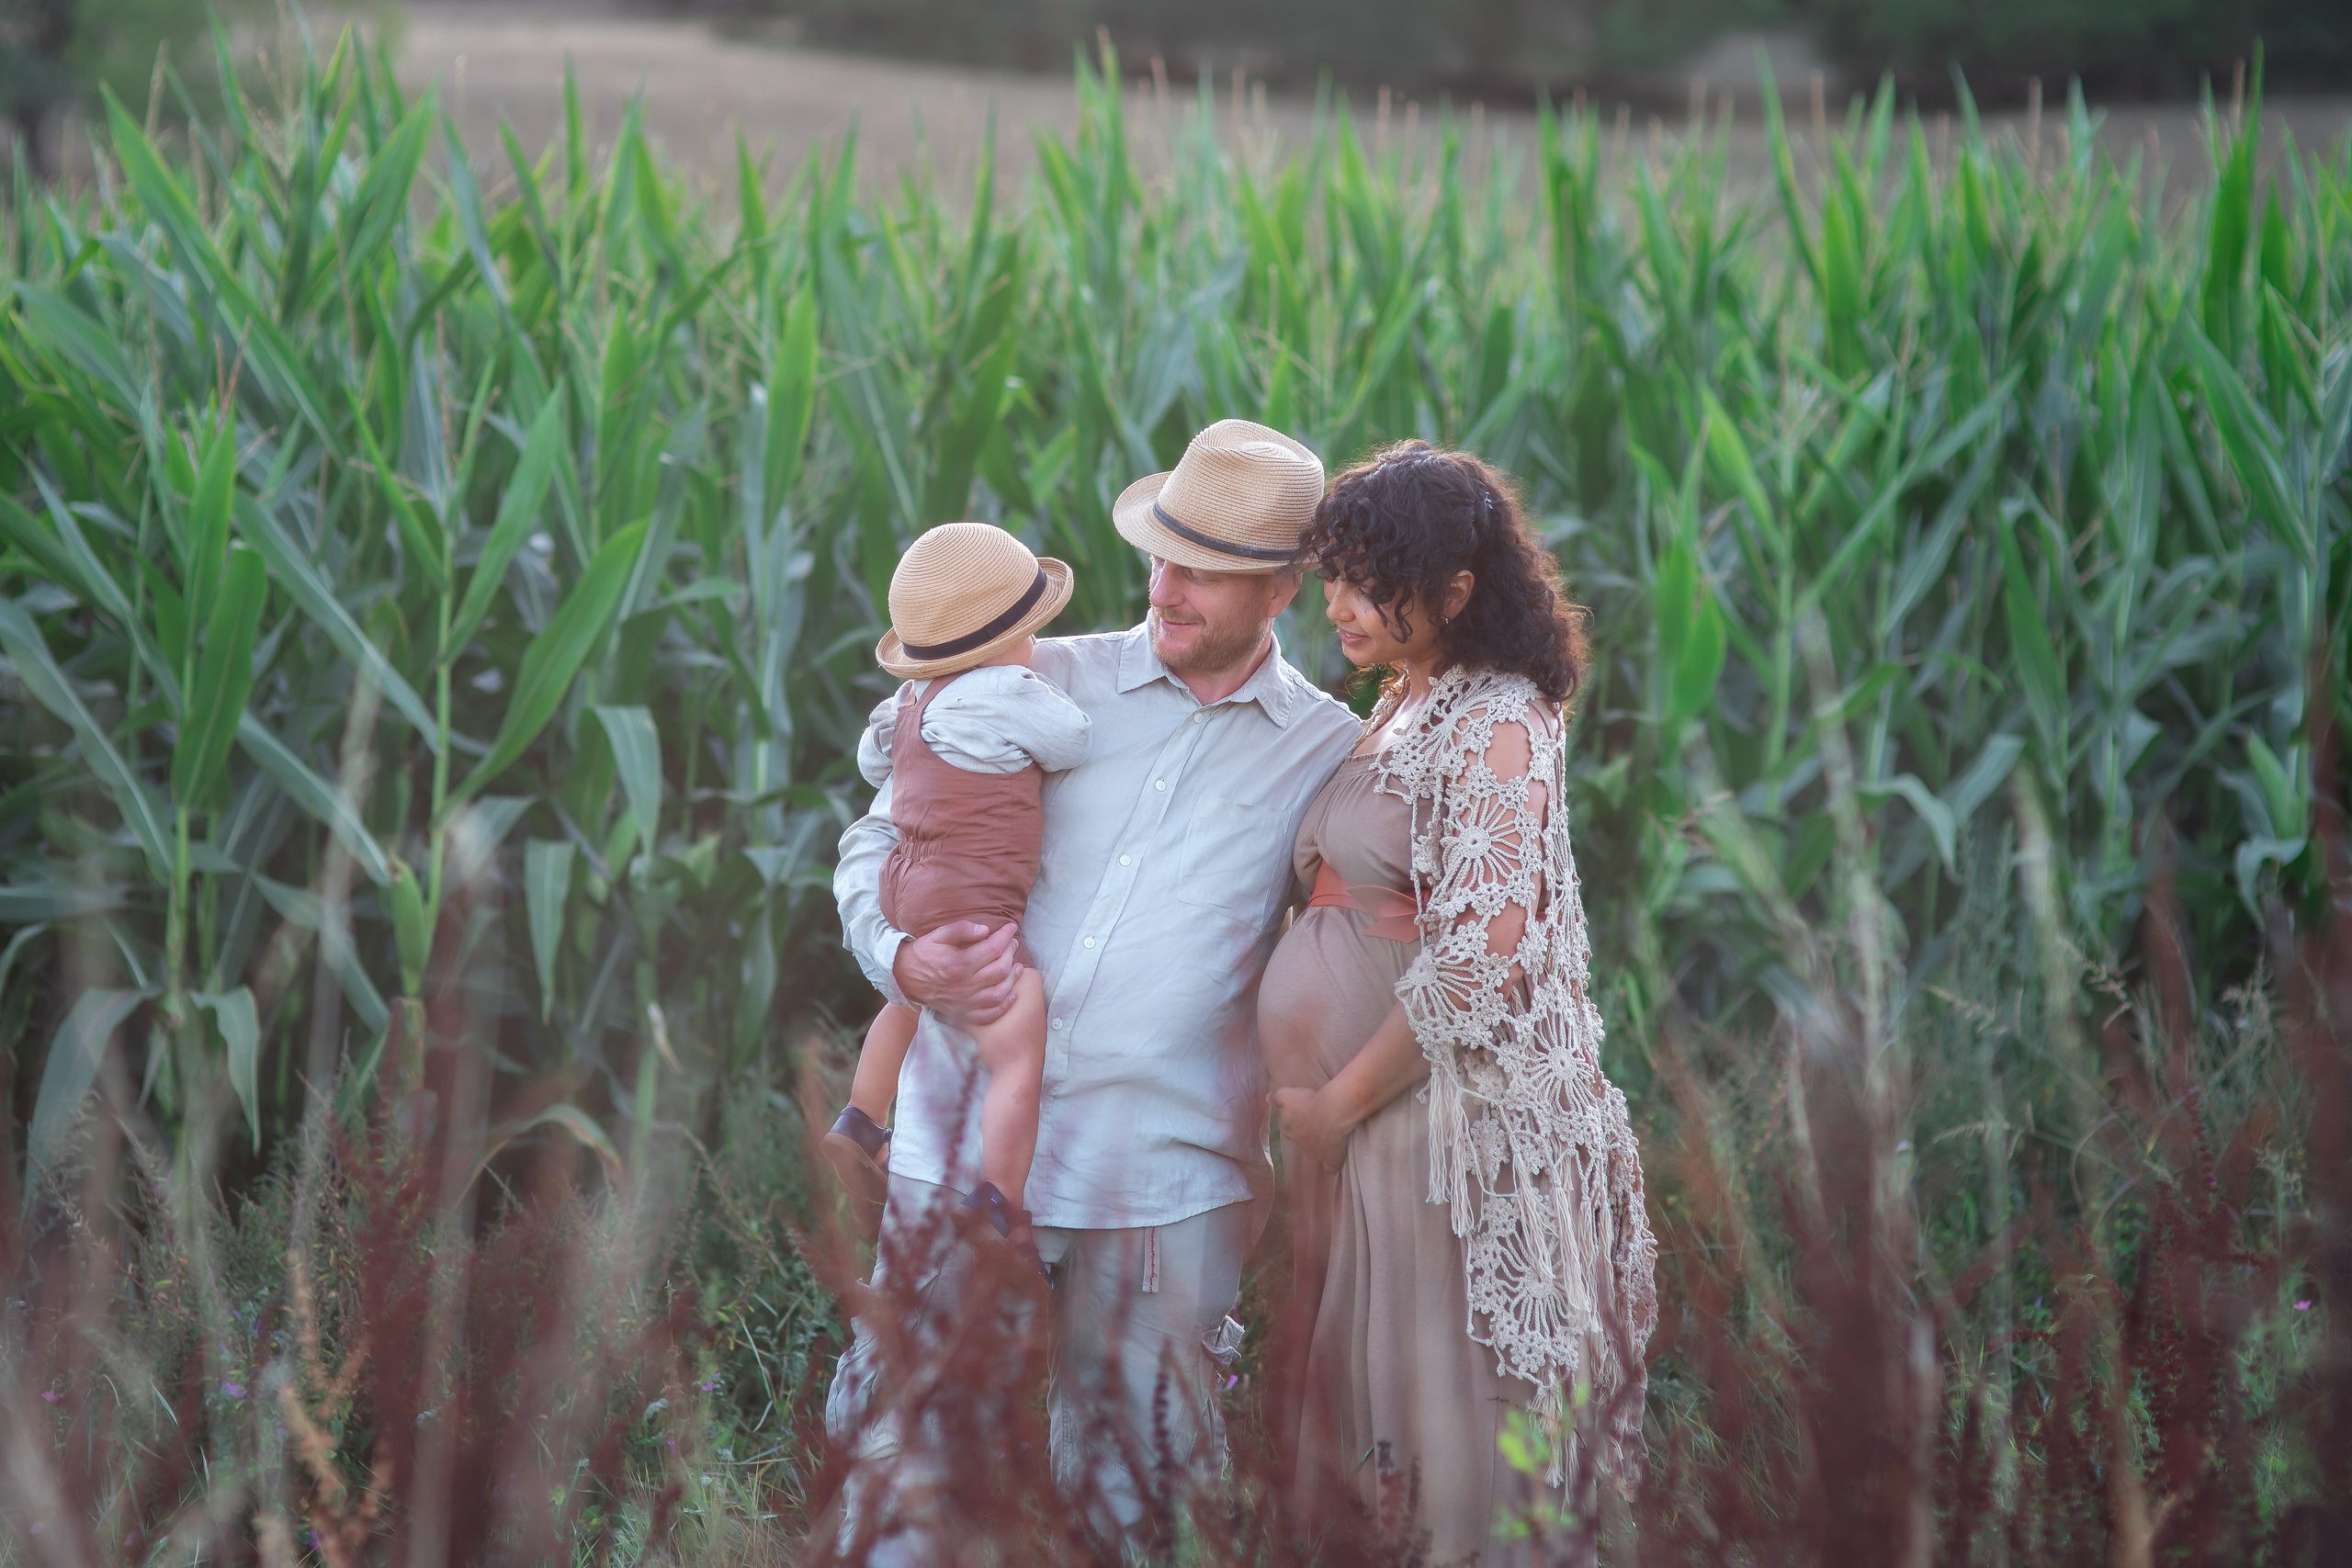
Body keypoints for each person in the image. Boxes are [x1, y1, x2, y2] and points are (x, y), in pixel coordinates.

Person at [827, 420, 1362, 1559]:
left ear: (1281, 589)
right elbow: (876, 845)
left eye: (1203, 571)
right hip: (962, 1150)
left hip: (1164, 1174)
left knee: (1136, 1506)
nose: (1164, 589)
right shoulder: (1029, 681)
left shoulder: (1327, 750)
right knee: (908, 1484)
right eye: (1159, 555)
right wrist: (902, 960)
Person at [1258, 442, 1657, 1562]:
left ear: (1456, 592)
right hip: (1372, 1130)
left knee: (1447, 1442)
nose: (1335, 601)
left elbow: (1480, 962)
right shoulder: (1401, 699)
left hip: (1439, 1137)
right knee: (1377, 1442)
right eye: (1330, 572)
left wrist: (1336, 1105)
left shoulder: (1497, 720)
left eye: (1367, 577)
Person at [822, 522, 1091, 1266]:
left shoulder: (907, 701)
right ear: (1015, 637)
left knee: (907, 999)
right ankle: (999, 1198)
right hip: (970, 897)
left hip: (902, 887)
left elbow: (873, 763)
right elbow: (1071, 741)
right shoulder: (1010, 689)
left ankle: (863, 1115)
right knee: (1017, 1043)